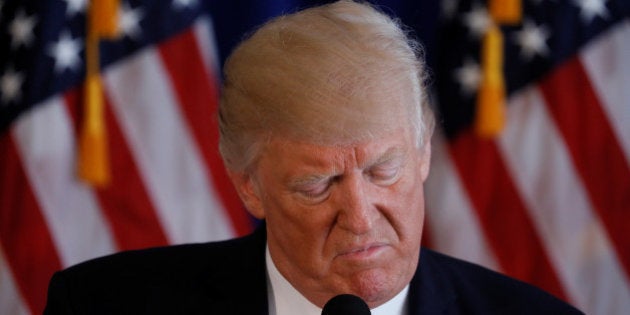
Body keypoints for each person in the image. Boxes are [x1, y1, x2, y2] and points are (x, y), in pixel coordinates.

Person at [44, 1, 583, 314]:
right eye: (317, 184)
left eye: (382, 170)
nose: (361, 216)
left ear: (423, 153)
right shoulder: (101, 308)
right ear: (248, 184)